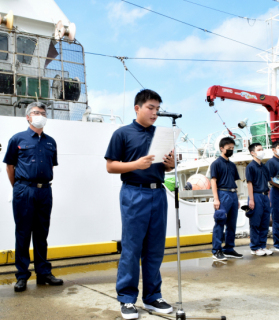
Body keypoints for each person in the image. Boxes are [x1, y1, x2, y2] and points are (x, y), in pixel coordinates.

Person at [105, 89, 175, 320]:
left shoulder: (162, 134)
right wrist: (135, 164)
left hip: (158, 194)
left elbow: (165, 168)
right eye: (150, 108)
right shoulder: (122, 133)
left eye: (157, 109)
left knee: (155, 248)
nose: (155, 113)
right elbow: (111, 166)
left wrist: (170, 164)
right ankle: (126, 299)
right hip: (134, 193)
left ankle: (153, 296)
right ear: (137, 108)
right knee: (132, 248)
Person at [3, 102, 63, 292]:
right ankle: (22, 276)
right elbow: (10, 166)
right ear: (28, 117)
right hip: (24, 190)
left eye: (43, 113)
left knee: (41, 233)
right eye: (36, 112)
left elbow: (51, 166)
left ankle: (43, 272)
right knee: (23, 233)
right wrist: (19, 188)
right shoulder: (17, 139)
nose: (40, 115)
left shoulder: (50, 141)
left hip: (45, 190)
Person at [210, 137, 243, 261]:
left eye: (232, 148)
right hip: (222, 194)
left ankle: (229, 248)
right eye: (229, 148)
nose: (231, 150)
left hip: (233, 194)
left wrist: (237, 198)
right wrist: (216, 198)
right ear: (221, 148)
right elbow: (213, 181)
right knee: (220, 222)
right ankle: (216, 250)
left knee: (232, 224)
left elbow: (234, 181)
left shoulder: (232, 165)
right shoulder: (216, 163)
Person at [246, 143, 273, 256]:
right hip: (255, 195)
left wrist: (268, 197)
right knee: (255, 223)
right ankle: (255, 247)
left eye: (262, 149)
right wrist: (251, 200)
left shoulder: (264, 166)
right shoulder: (250, 167)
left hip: (264, 195)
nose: (262, 151)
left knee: (265, 222)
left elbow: (268, 182)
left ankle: (262, 246)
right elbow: (249, 183)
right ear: (253, 152)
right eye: (259, 149)